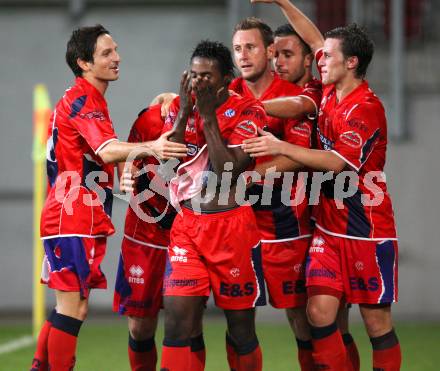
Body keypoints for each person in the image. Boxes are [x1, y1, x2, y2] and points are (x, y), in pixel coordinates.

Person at [244, 2, 401, 370]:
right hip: (328, 227)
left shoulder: (365, 108)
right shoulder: (328, 92)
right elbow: (314, 38)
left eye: (327, 56)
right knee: (318, 313)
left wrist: (281, 147)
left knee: (377, 323)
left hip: (366, 229)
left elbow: (338, 162)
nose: (320, 59)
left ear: (351, 63)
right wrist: (283, 2)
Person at [30, 25, 187, 371]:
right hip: (72, 213)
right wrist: (152, 147)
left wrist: (161, 102)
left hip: (72, 212)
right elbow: (107, 149)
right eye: (106, 53)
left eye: (115, 50)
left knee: (67, 306)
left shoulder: (87, 99)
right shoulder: (85, 100)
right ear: (83, 62)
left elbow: (103, 153)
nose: (116, 58)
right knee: (74, 308)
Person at [159, 40, 267, 371]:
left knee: (240, 330)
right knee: (178, 324)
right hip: (188, 227)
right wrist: (184, 115)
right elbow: (168, 165)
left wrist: (207, 117)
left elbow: (227, 170)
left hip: (232, 229)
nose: (198, 83)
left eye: (206, 77)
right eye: (193, 75)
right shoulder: (182, 106)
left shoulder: (249, 111)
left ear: (225, 80)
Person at [228, 17, 318, 371]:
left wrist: (249, 177)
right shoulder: (227, 93)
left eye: (250, 47)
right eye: (237, 49)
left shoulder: (291, 97)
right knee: (239, 318)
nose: (243, 55)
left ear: (268, 51)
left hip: (284, 222)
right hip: (236, 223)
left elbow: (295, 156)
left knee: (301, 316)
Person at [113, 104, 205, 371]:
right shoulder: (153, 117)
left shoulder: (211, 124)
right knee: (140, 327)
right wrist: (125, 174)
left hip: (187, 237)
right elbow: (126, 150)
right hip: (143, 235)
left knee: (190, 323)